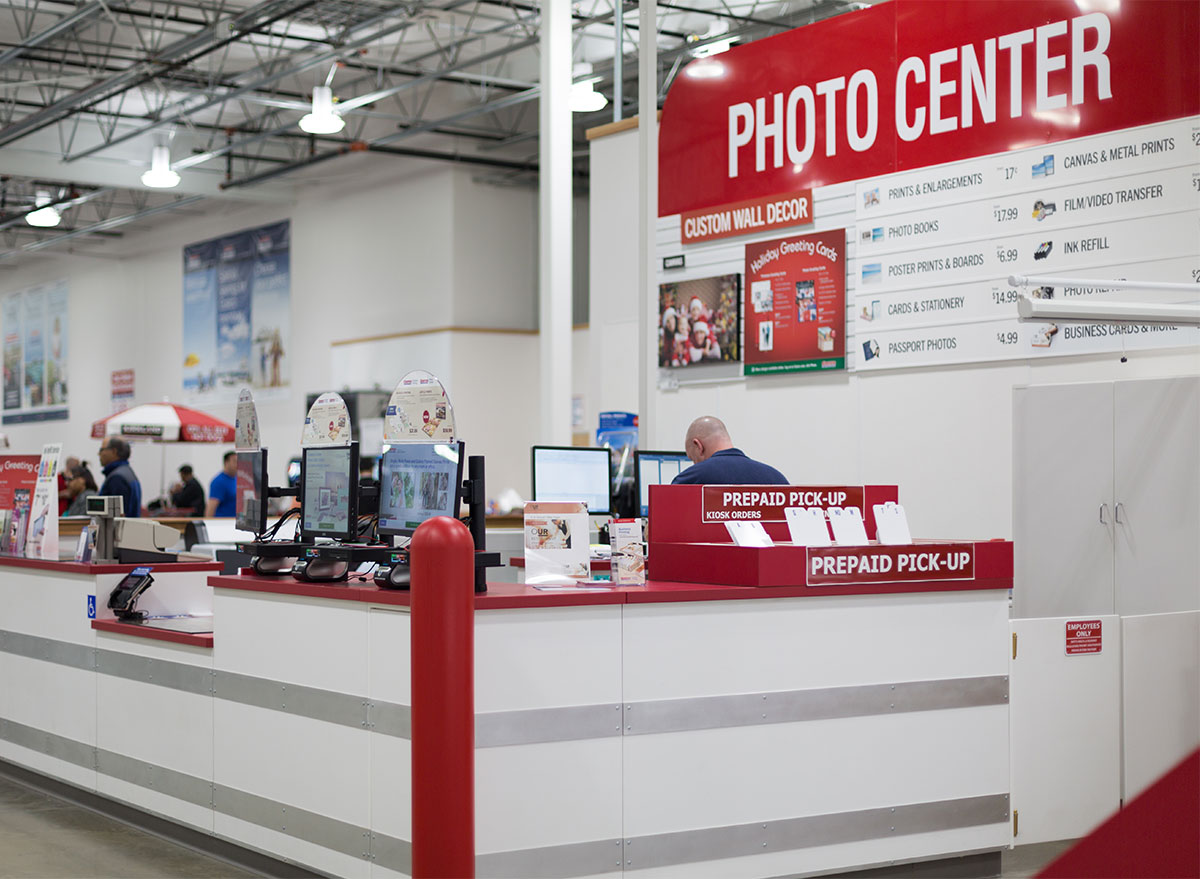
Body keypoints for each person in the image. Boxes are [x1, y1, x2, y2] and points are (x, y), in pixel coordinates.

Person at [671, 416, 788, 485]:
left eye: (693, 459)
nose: (695, 465)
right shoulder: (777, 478)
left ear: (698, 446)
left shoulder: (692, 479)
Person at [98, 437, 142, 517]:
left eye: (102, 450)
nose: (99, 454)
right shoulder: (127, 472)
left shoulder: (117, 478)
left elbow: (118, 516)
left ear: (114, 451)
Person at [206, 451, 238, 517]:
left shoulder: (237, 479)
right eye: (235, 462)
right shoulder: (219, 482)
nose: (237, 464)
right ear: (226, 463)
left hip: (236, 522)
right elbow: (211, 508)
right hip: (223, 523)